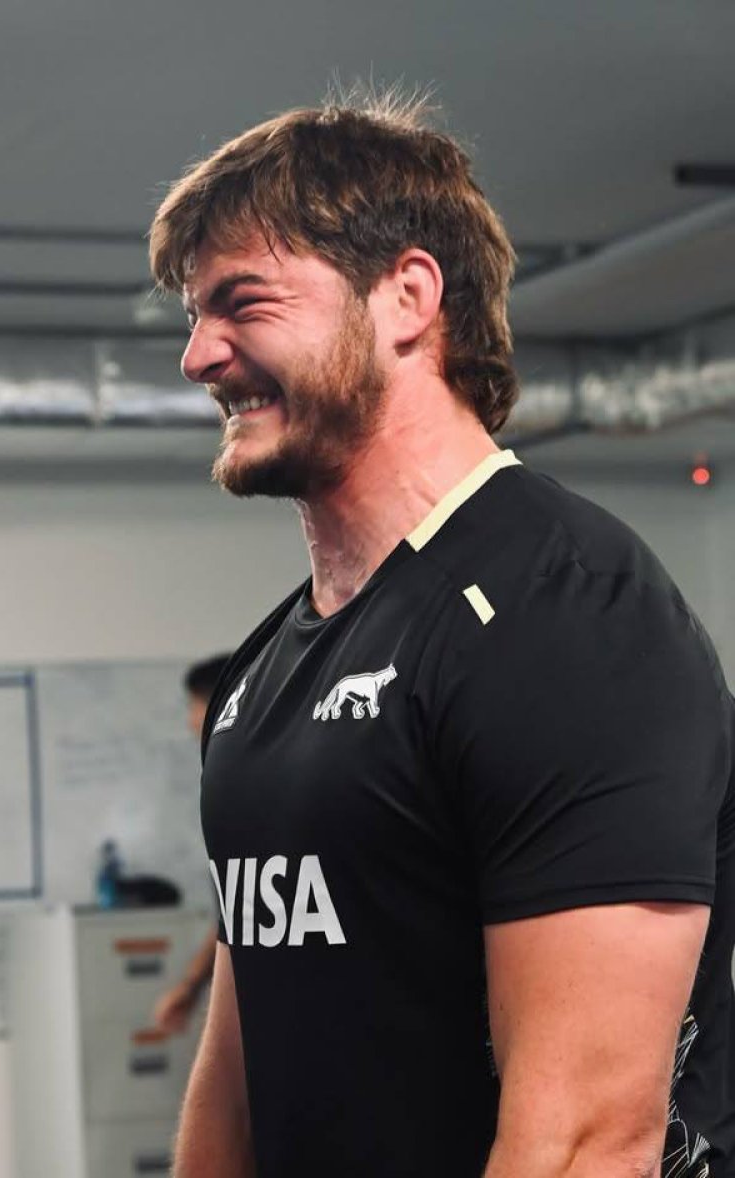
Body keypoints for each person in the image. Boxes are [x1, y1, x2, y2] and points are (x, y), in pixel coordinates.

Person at [149, 91, 735, 1178]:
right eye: (193, 315)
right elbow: (239, 1066)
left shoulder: (566, 616)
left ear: (407, 297)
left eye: (242, 304)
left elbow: (584, 1141)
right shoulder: (262, 672)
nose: (199, 356)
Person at [152, 654, 232, 1036]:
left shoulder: (250, 785)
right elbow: (235, 911)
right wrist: (191, 986)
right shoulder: (224, 780)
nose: (190, 721)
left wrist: (191, 986)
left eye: (194, 706)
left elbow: (243, 912)